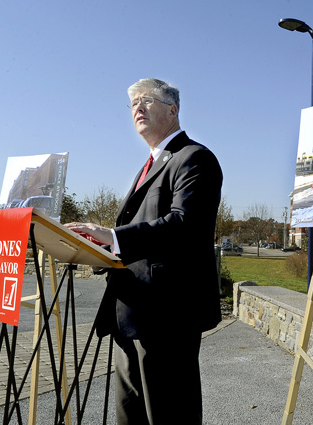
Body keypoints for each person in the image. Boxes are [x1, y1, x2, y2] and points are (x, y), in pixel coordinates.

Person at [66, 78, 222, 424]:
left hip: (168, 316)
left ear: (173, 110)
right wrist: (100, 249)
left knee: (168, 414)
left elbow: (184, 225)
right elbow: (136, 237)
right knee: (130, 416)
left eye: (147, 100)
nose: (137, 107)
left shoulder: (194, 158)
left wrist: (114, 236)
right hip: (131, 313)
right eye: (133, 103)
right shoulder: (149, 165)